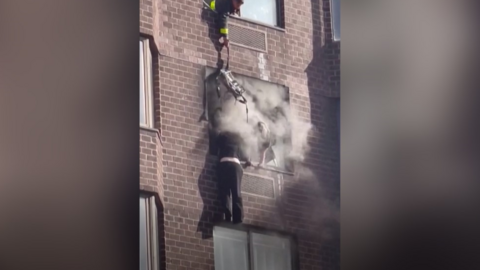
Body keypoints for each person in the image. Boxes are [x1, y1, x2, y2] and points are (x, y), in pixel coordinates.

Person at [216, 130, 251, 224]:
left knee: (225, 192)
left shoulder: (221, 135)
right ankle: (238, 218)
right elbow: (246, 155)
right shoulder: (239, 138)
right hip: (235, 164)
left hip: (223, 163)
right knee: (236, 192)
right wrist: (248, 161)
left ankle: (227, 215)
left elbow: (216, 150)